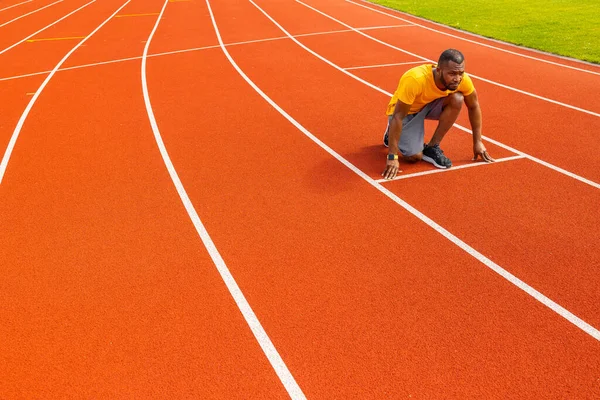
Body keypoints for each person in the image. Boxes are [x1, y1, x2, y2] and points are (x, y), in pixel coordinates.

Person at [382, 49, 494, 180]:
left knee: (457, 99)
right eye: (452, 74)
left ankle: (432, 146)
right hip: (406, 111)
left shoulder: (462, 80)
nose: (457, 79)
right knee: (414, 157)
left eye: (460, 73)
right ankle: (391, 134)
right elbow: (398, 116)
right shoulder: (415, 79)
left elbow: (474, 106)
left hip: (429, 104)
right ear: (439, 70)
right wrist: (392, 156)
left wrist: (478, 142)